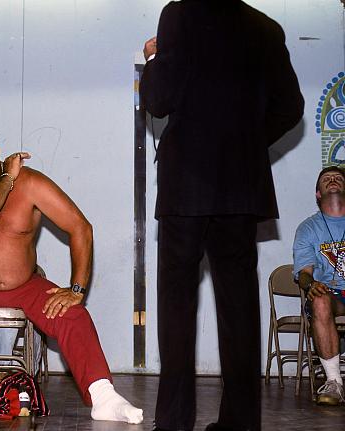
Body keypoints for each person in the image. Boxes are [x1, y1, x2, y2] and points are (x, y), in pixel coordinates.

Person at [139, 1, 304, 430]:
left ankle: (175, 422)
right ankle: (241, 423)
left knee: (177, 306)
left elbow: (158, 101)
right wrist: (245, 143)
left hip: (186, 186)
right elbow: (291, 107)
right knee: (240, 309)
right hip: (240, 186)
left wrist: (153, 58)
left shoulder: (179, 14)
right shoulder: (266, 28)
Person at [0, 122, 143, 423]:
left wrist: (76, 290)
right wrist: (7, 178)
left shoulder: (30, 184)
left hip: (23, 285)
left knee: (71, 314)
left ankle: (104, 397)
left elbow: (80, 227)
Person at [294, 166, 345, 406]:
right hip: (331, 293)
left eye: (338, 178)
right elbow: (304, 274)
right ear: (318, 193)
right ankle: (334, 382)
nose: (332, 180)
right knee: (320, 299)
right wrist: (311, 284)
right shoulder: (308, 228)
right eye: (326, 179)